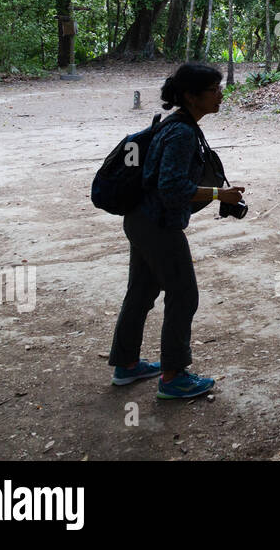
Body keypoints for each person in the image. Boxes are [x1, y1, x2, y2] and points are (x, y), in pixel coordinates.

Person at [108, 62, 244, 400]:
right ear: (190, 96)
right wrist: (218, 195)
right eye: (213, 90)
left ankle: (126, 365)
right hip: (158, 225)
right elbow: (170, 187)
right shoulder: (182, 132)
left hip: (140, 219)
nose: (220, 95)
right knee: (184, 295)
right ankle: (173, 377)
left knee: (140, 293)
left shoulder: (180, 125)